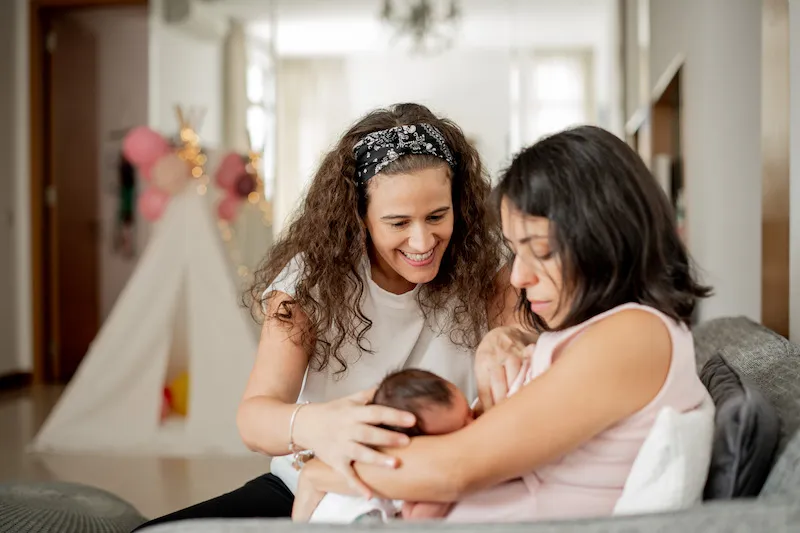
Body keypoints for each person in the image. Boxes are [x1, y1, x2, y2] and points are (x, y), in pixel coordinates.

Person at [292, 125, 714, 523]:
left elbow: (457, 467)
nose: (518, 278)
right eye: (515, 253)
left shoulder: (634, 337)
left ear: (608, 239)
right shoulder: (599, 335)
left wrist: (323, 474)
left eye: (542, 250)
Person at [134, 103, 524, 530]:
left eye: (437, 216)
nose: (422, 240)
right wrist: (323, 425)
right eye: (397, 223)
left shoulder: (489, 270)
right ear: (360, 219)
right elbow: (254, 418)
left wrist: (513, 342)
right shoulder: (309, 279)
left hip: (433, 486)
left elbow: (516, 389)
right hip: (308, 487)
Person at [309, 368, 475, 523]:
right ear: (410, 444)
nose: (474, 424)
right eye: (460, 428)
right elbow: (415, 518)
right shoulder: (404, 466)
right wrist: (445, 494)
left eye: (469, 411)